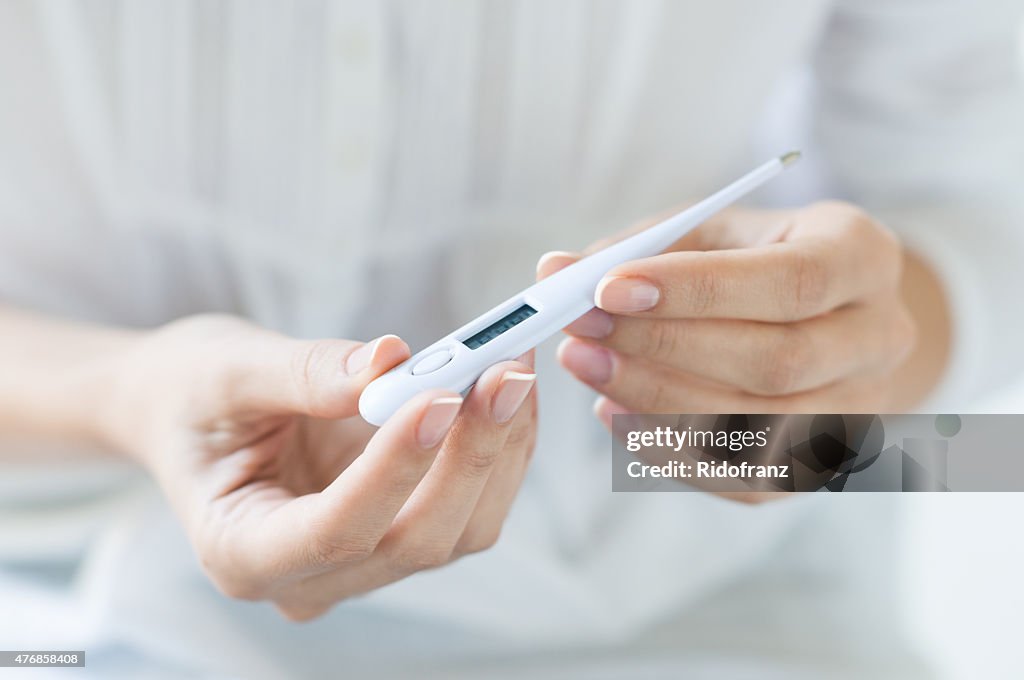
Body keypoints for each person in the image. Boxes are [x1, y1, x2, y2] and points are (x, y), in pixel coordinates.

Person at [1, 1, 1021, 677]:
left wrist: (836, 389)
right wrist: (125, 394)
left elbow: (978, 254)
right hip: (76, 585)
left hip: (711, 579)